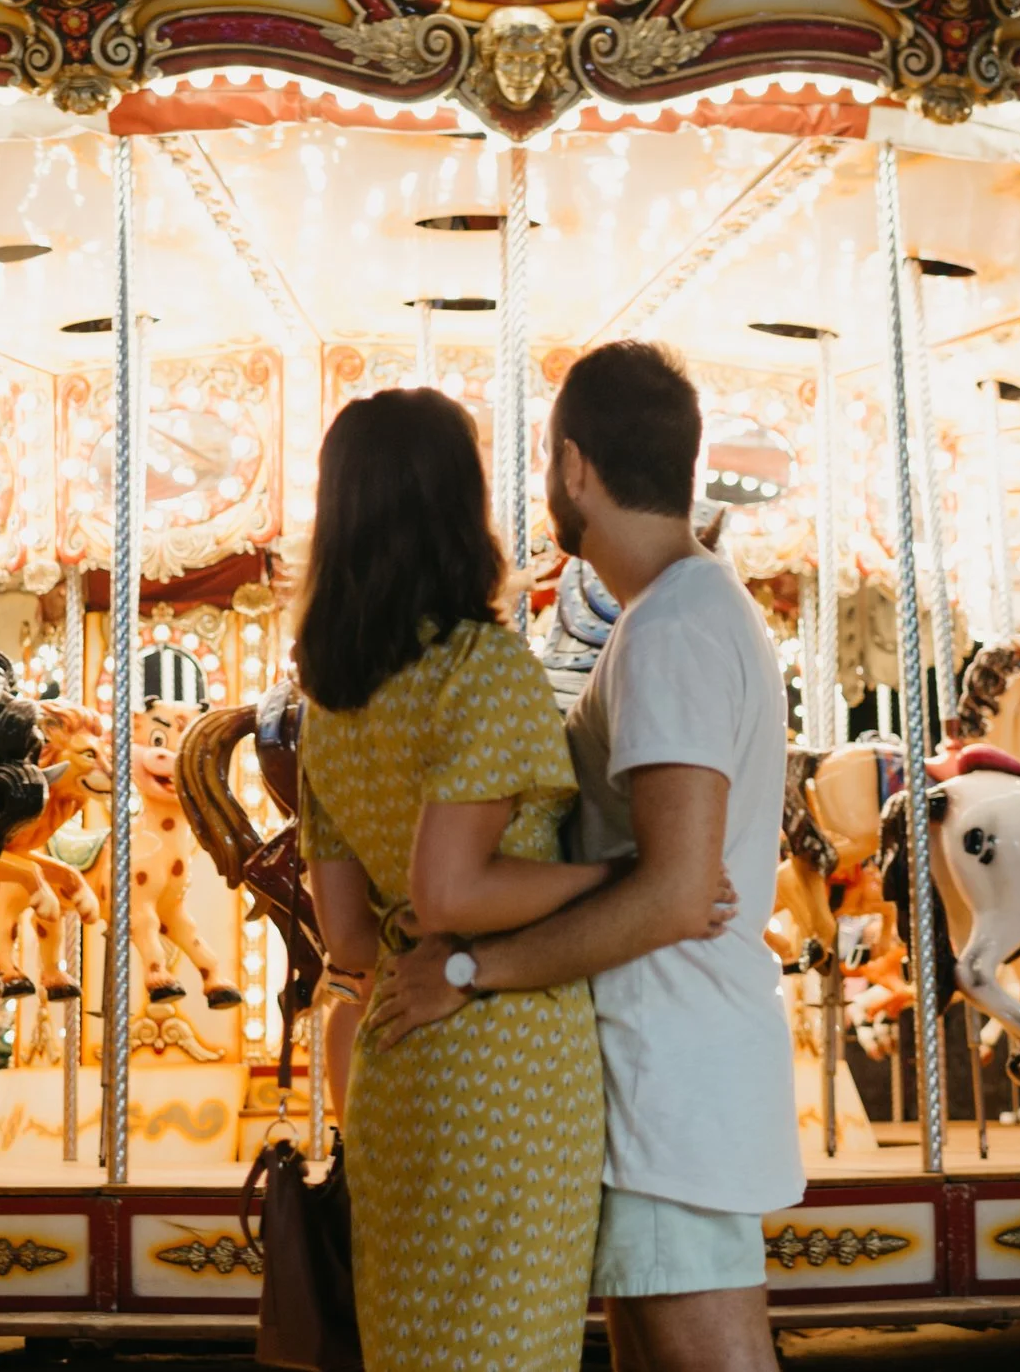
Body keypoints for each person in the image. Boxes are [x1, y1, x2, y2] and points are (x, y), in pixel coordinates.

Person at [369, 340, 800, 1372]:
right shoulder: (672, 615)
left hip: (672, 1054)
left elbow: (675, 888)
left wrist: (470, 973)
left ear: (573, 467)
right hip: (655, 1062)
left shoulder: (677, 628)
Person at [293, 386, 616, 1372]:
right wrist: (605, 877)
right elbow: (452, 893)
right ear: (456, 503)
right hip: (505, 1065)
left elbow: (348, 935)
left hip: (396, 1062)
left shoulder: (328, 701)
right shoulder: (481, 669)